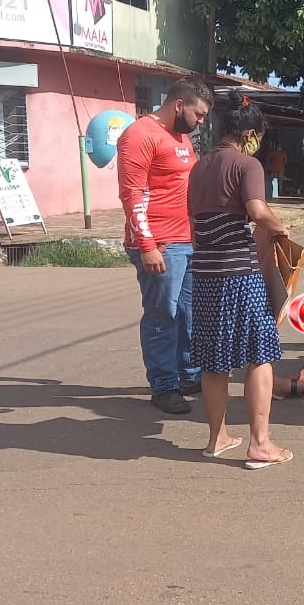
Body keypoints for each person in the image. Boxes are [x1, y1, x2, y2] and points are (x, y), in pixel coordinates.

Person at [186, 101, 293, 468]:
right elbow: (257, 210)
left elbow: (195, 228)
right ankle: (259, 444)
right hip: (239, 274)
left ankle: (216, 439)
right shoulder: (247, 164)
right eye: (257, 139)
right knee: (259, 354)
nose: (258, 147)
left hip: (204, 274)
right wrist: (280, 228)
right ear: (249, 136)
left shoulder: (199, 167)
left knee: (214, 361)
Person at [117, 77, 212, 414]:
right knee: (163, 316)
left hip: (187, 241)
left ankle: (187, 375)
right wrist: (146, 244)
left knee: (187, 313)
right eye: (198, 114)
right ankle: (163, 386)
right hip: (160, 243)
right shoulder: (140, 135)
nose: (200, 121)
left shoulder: (181, 136)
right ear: (178, 105)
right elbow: (132, 194)